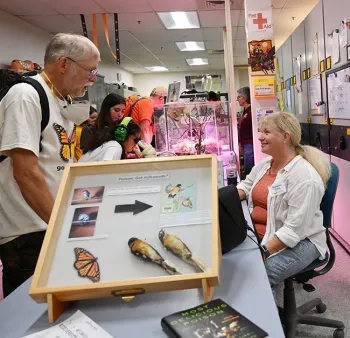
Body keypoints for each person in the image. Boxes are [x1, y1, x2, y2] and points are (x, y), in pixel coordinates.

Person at [0, 33, 100, 297]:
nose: (92, 78)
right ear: (64, 64)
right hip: (29, 234)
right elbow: (26, 173)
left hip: (50, 227)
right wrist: (63, 226)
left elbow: (59, 164)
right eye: (89, 70)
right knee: (32, 316)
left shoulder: (59, 101)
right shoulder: (26, 95)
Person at [236, 112, 331, 296]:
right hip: (264, 233)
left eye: (266, 132)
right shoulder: (266, 165)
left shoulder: (305, 178)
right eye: (260, 131)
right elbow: (246, 186)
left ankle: (265, 323)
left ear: (286, 137)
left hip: (301, 242)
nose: (260, 136)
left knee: (258, 275)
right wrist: (220, 198)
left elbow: (293, 231)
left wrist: (262, 252)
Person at [237, 87, 254, 176]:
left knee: (249, 169)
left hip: (249, 145)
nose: (237, 99)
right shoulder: (245, 111)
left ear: (245, 98)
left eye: (239, 97)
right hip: (245, 144)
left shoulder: (251, 111)